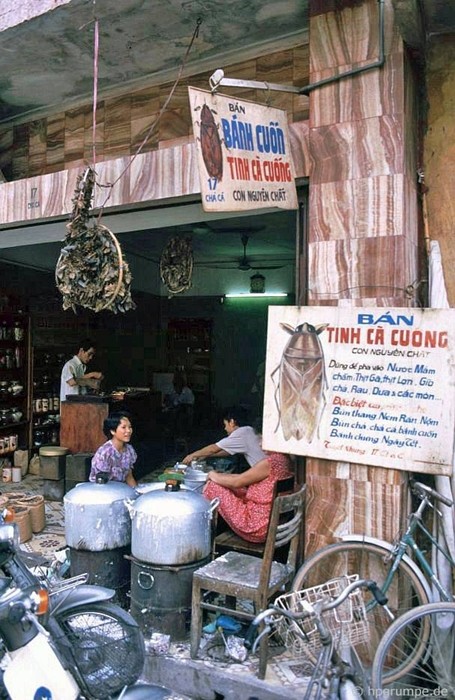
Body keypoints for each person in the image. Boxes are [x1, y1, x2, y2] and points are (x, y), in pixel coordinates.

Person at [203, 451, 294, 543]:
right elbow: (244, 477)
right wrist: (221, 476)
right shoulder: (285, 460)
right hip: (272, 523)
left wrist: (212, 474)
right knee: (234, 487)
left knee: (212, 486)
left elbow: (237, 482)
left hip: (256, 527)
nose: (260, 443)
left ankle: (210, 534)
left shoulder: (272, 462)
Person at [182, 404, 266, 467]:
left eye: (225, 424)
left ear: (232, 422)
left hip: (265, 477)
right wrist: (204, 455)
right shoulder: (248, 430)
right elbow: (227, 451)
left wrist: (192, 455)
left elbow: (213, 448)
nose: (225, 428)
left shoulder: (241, 433)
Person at [89, 412, 138, 487]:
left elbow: (129, 477)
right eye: (124, 427)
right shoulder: (105, 453)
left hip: (122, 490)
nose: (128, 431)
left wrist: (137, 493)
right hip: (103, 491)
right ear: (113, 431)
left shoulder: (129, 450)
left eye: (130, 427)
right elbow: (100, 483)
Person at [60, 338, 104, 403]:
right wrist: (91, 374)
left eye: (92, 355)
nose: (91, 357)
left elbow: (81, 382)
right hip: (69, 405)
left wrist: (92, 385)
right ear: (81, 351)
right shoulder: (70, 365)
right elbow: (71, 382)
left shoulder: (82, 366)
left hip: (79, 404)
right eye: (89, 354)